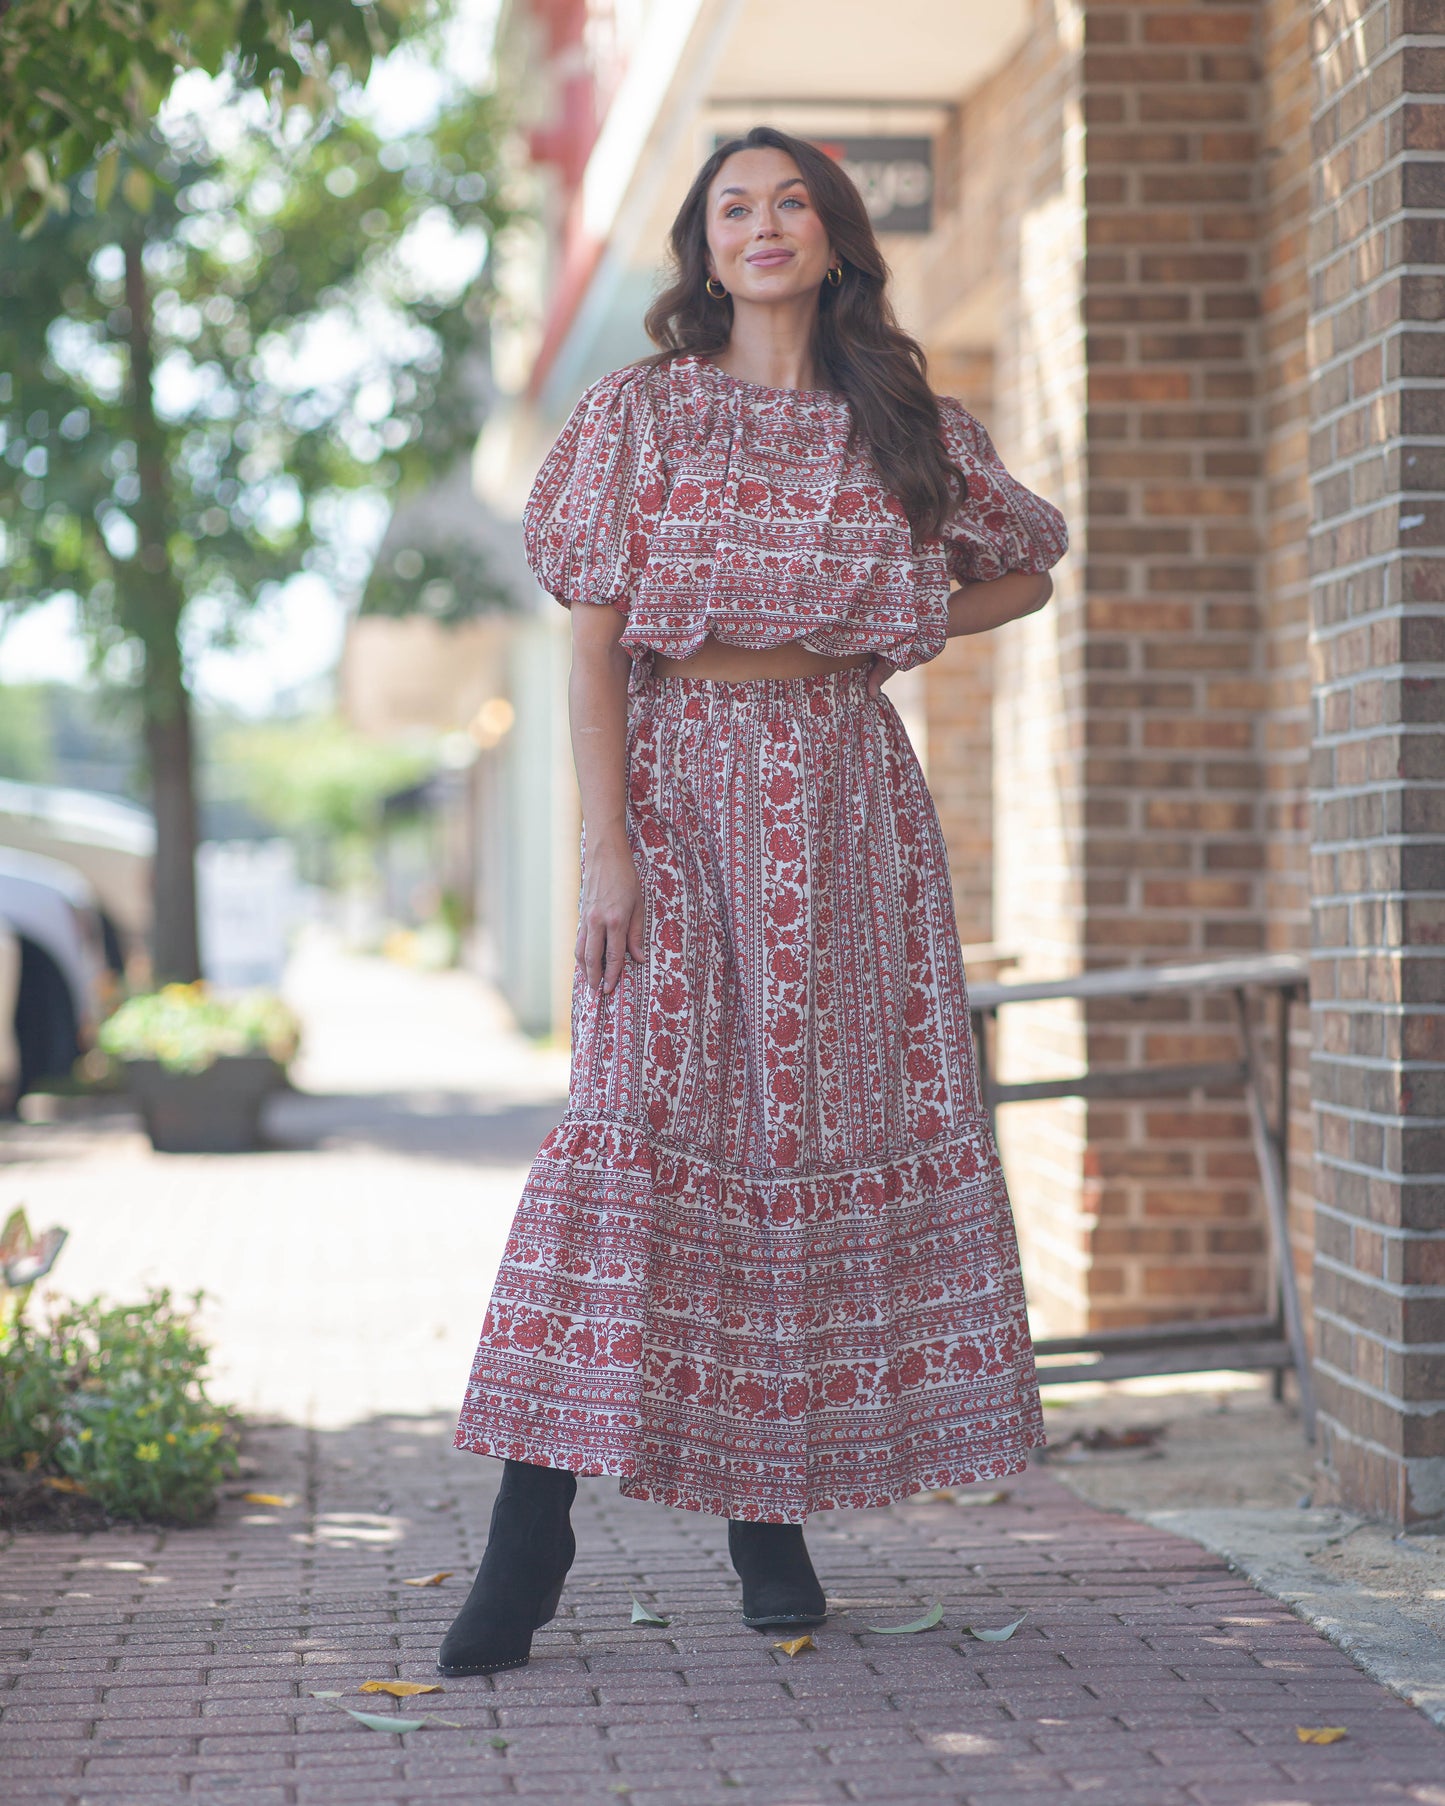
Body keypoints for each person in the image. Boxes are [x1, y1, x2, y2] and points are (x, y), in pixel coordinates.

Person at [439, 124, 1068, 1678]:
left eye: (791, 201)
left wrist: (892, 623)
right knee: (636, 1128)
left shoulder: (899, 416)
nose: (763, 224)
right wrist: (606, 846)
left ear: (835, 237)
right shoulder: (636, 416)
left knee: (801, 1137)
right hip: (678, 793)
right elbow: (592, 646)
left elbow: (1027, 566)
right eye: (734, 205)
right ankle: (528, 1542)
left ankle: (766, 1524)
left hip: (850, 811)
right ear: (701, 247)